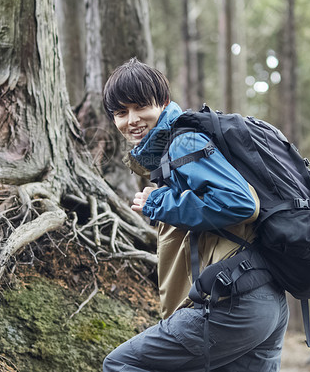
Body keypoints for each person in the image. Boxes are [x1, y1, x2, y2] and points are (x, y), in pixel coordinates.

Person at [101, 58, 288, 372]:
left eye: (139, 107)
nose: (131, 120)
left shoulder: (183, 141)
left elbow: (242, 202)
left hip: (232, 302)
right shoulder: (173, 150)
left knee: (122, 365)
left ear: (162, 103)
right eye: (121, 113)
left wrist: (157, 203)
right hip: (264, 300)